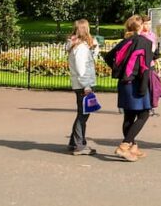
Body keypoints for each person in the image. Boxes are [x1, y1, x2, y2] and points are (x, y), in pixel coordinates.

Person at [105, 15, 156, 161]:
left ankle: (133, 146)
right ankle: (125, 145)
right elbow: (145, 67)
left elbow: (108, 56)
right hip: (137, 82)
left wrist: (119, 70)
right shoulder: (144, 42)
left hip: (124, 82)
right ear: (140, 26)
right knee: (144, 113)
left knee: (128, 116)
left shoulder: (125, 41)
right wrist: (143, 87)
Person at [67, 19, 98, 155]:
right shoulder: (80, 48)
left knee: (82, 113)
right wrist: (87, 86)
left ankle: (74, 142)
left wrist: (95, 49)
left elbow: (89, 61)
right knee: (83, 115)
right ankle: (79, 144)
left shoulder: (78, 46)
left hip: (80, 84)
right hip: (83, 85)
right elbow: (82, 68)